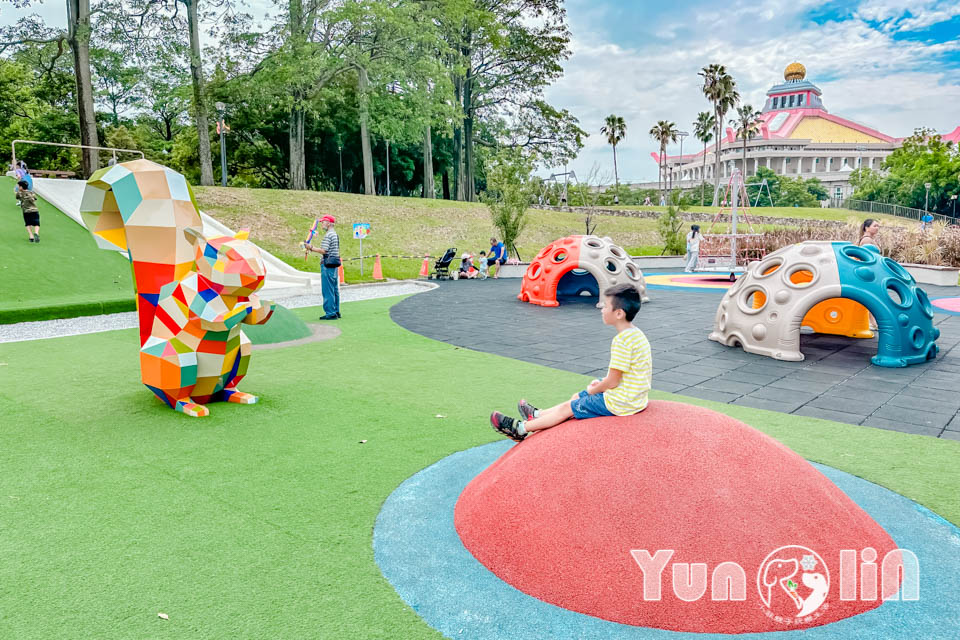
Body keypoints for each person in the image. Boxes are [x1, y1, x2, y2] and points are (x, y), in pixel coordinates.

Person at [489, 284, 651, 441]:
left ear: (618, 314)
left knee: (569, 408)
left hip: (621, 403)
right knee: (577, 397)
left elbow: (613, 381)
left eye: (606, 306)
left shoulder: (621, 341)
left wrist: (595, 390)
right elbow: (627, 373)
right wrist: (600, 383)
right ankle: (538, 415)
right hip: (634, 398)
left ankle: (521, 428)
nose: (601, 309)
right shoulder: (636, 334)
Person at [306, 215, 341, 319]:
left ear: (329, 223)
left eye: (323, 222)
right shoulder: (334, 234)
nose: (322, 224)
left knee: (327, 290)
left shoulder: (328, 235)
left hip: (327, 264)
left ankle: (330, 313)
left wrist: (311, 247)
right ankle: (336, 311)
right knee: (334, 289)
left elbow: (324, 250)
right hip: (334, 264)